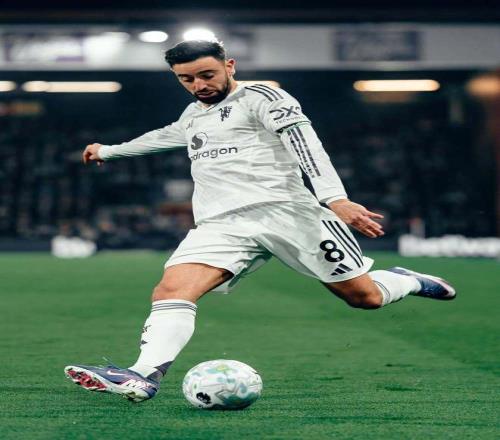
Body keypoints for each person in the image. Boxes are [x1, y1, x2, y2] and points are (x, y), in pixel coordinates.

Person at [64, 39, 456, 403]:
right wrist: (109, 151)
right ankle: (143, 375)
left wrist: (335, 198)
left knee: (364, 298)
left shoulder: (263, 98)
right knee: (171, 289)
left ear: (229, 65)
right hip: (222, 223)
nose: (198, 85)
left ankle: (407, 280)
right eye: (186, 79)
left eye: (207, 75)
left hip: (290, 215)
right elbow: (166, 136)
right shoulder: (194, 114)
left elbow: (305, 144)